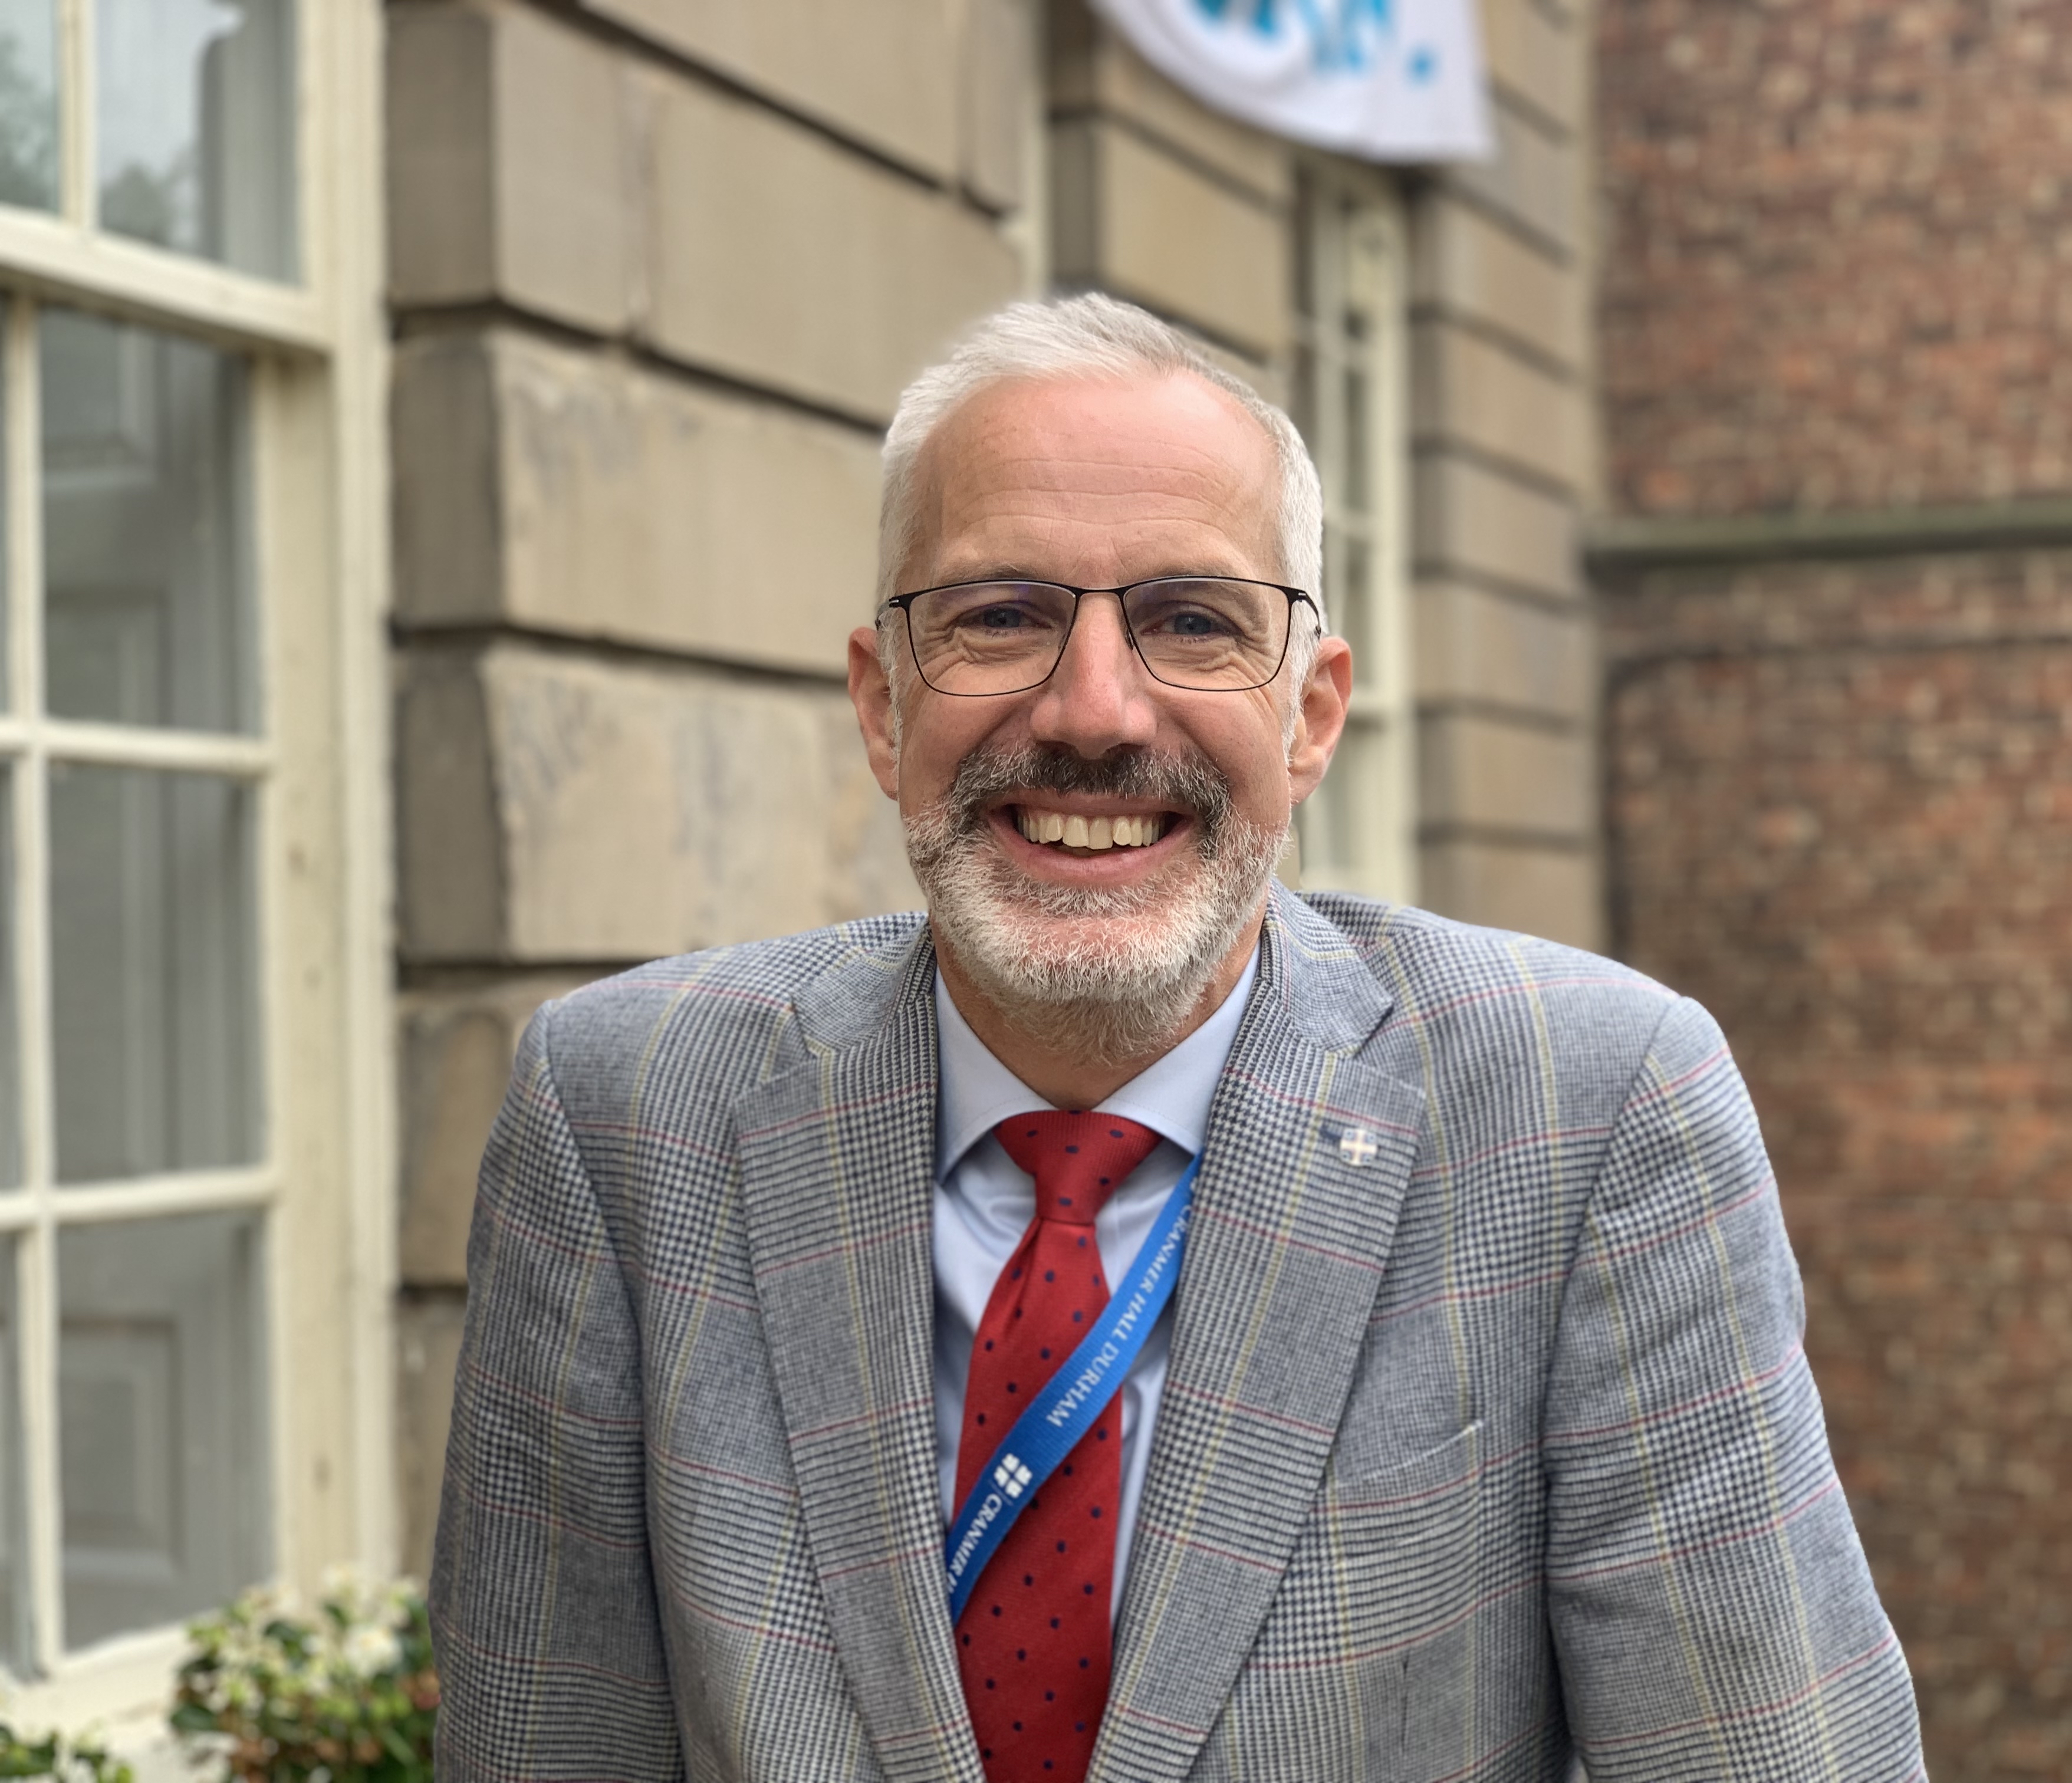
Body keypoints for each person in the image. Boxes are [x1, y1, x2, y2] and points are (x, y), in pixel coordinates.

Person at [430, 294, 1925, 1783]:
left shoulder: (1595, 1111)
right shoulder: (621, 1119)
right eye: (1000, 614)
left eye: (1194, 623)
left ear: (1312, 718)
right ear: (884, 706)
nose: (1093, 709)